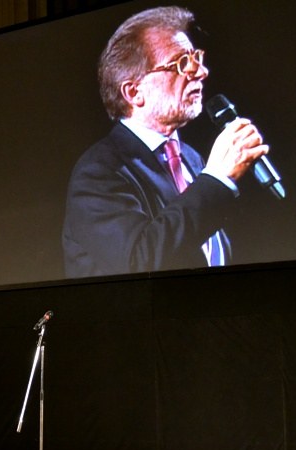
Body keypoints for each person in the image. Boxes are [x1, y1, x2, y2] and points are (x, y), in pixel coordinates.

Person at [62, 6, 268, 277]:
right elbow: (139, 260)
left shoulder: (191, 158)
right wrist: (217, 180)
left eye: (196, 57)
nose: (201, 71)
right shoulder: (99, 171)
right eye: (182, 63)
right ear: (135, 92)